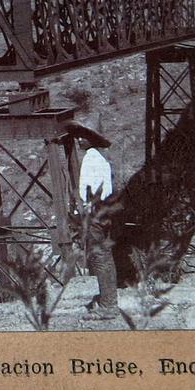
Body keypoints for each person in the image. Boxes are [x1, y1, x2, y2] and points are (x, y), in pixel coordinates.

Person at [65, 119, 120, 320]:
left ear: (91, 140)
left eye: (83, 136)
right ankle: (108, 300)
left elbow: (93, 191)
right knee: (104, 256)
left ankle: (108, 306)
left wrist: (85, 213)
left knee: (100, 257)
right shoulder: (99, 157)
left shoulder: (91, 158)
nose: (79, 140)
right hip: (104, 211)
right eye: (78, 136)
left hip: (96, 211)